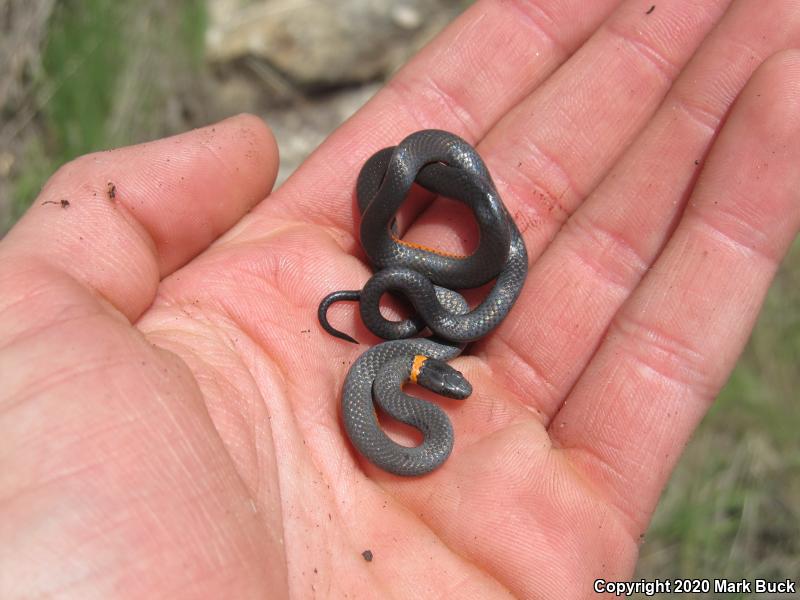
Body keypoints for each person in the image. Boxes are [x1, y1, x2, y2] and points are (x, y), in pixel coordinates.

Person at [1, 1, 798, 598]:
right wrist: (409, 307)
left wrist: (439, 291)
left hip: (421, 287)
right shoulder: (397, 386)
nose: (450, 390)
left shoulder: (399, 377)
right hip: (410, 288)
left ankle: (475, 232)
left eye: (437, 378)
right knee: (446, 248)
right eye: (440, 377)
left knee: (480, 246)